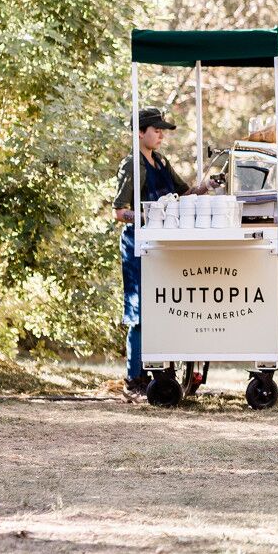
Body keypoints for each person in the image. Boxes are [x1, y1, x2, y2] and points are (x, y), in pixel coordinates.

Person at [112, 107, 207, 401]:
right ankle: (135, 379)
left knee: (167, 305)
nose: (161, 134)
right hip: (138, 245)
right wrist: (146, 215)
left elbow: (184, 193)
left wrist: (207, 186)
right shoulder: (132, 165)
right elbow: (118, 212)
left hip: (163, 247)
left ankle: (163, 374)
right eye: (156, 130)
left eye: (162, 130)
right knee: (139, 311)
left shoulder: (162, 162)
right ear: (140, 133)